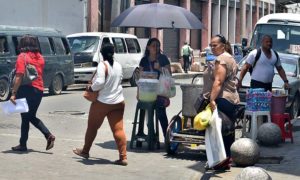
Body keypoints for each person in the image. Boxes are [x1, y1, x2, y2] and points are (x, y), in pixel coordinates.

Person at [73, 43, 128, 166]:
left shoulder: (102, 65)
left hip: (102, 102)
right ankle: (123, 157)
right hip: (118, 102)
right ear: (113, 53)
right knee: (118, 129)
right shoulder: (118, 66)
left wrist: (91, 88)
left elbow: (99, 82)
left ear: (102, 54)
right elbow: (120, 80)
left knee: (92, 127)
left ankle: (85, 151)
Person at [10, 35, 55, 152]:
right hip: (39, 90)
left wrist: (13, 93)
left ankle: (26, 143)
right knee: (30, 116)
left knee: (25, 117)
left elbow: (19, 76)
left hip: (26, 89)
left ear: (22, 45)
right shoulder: (40, 57)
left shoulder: (22, 57)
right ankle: (28, 142)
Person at [202, 34, 240, 170]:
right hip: (231, 99)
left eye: (215, 45)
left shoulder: (222, 59)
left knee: (216, 131)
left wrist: (211, 99)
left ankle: (218, 160)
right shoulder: (229, 57)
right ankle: (225, 160)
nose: (212, 48)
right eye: (211, 45)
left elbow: (218, 81)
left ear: (223, 46)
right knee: (227, 131)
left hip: (223, 99)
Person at [137, 38, 171, 138]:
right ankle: (152, 136)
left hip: (160, 92)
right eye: (153, 45)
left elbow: (169, 74)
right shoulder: (144, 60)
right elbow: (140, 78)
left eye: (157, 45)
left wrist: (159, 68)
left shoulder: (163, 58)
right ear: (148, 47)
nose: (156, 48)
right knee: (148, 114)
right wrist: (138, 92)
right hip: (147, 92)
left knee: (161, 114)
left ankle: (167, 137)